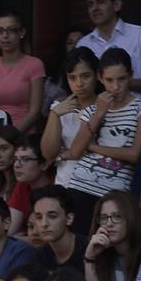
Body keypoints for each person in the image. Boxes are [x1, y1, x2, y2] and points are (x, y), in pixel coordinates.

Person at [65, 48, 141, 231]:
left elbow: (134, 154)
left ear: (131, 76)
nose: (115, 87)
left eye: (121, 79)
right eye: (109, 80)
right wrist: (99, 114)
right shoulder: (94, 109)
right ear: (100, 78)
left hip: (114, 193)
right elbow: (75, 150)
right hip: (80, 184)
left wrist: (93, 147)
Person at [42, 47, 101, 193]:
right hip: (66, 184)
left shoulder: (107, 106)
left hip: (100, 184)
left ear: (97, 75)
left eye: (85, 76)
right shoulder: (59, 108)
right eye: (72, 77)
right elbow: (48, 153)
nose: (79, 83)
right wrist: (54, 115)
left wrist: (65, 155)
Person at [76, 0, 141, 92]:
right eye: (90, 4)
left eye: (100, 2)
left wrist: (119, 82)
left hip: (139, 107)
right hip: (98, 108)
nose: (94, 8)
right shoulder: (83, 44)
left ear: (116, 5)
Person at [0, 10, 46, 132]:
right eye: (0, 31)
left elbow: (35, 112)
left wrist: (11, 135)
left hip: (24, 138)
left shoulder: (34, 64)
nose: (5, 35)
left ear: (21, 32)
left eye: (11, 30)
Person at [31, 186, 88, 273]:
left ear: (69, 219)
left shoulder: (89, 249)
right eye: (39, 217)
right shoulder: (39, 257)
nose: (44, 224)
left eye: (52, 216)